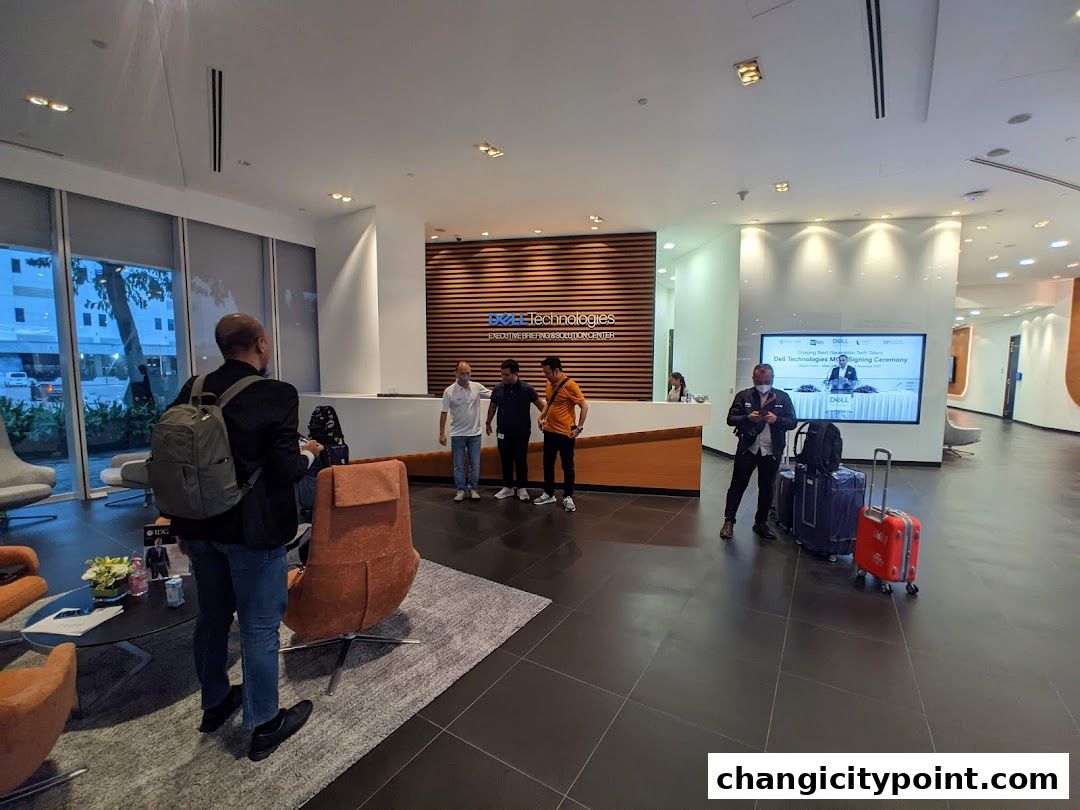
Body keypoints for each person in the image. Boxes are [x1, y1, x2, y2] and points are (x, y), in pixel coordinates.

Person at [168, 313, 323, 761]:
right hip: (251, 532)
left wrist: (180, 523)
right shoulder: (276, 393)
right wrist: (309, 455)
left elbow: (182, 461)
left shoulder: (193, 388)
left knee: (212, 619)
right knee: (258, 628)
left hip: (198, 526)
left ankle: (215, 702)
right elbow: (283, 468)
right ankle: (264, 722)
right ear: (260, 342)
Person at [720, 363, 797, 540]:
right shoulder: (744, 395)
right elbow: (731, 419)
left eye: (767, 381)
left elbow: (792, 422)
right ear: (753, 379)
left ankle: (760, 523)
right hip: (748, 448)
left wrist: (777, 419)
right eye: (759, 381)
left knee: (767, 488)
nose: (763, 384)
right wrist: (748, 417)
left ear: (772, 379)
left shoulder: (782, 397)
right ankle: (728, 521)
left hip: (772, 450)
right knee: (737, 486)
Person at [485, 359, 546, 501]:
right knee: (505, 458)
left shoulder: (527, 389)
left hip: (521, 431)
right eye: (502, 374)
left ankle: (522, 487)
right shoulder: (498, 388)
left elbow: (541, 406)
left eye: (506, 375)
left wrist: (544, 419)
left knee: (520, 459)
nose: (503, 377)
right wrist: (488, 422)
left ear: (515, 373)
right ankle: (507, 487)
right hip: (503, 431)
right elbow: (493, 406)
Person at [534, 357, 588, 512]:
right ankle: (549, 493)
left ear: (556, 370)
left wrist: (579, 428)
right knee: (548, 465)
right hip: (549, 432)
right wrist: (541, 416)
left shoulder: (570, 385)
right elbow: (549, 403)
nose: (545, 375)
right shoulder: (549, 384)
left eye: (547, 372)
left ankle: (568, 496)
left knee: (567, 466)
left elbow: (584, 407)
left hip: (566, 434)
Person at [439, 361, 492, 502]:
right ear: (455, 373)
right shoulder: (449, 391)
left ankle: (473, 489)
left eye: (468, 373)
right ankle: (461, 490)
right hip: (457, 434)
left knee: (475, 464)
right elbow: (444, 413)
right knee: (458, 466)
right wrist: (441, 433)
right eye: (462, 373)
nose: (466, 376)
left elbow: (493, 395)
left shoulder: (477, 387)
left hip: (475, 434)